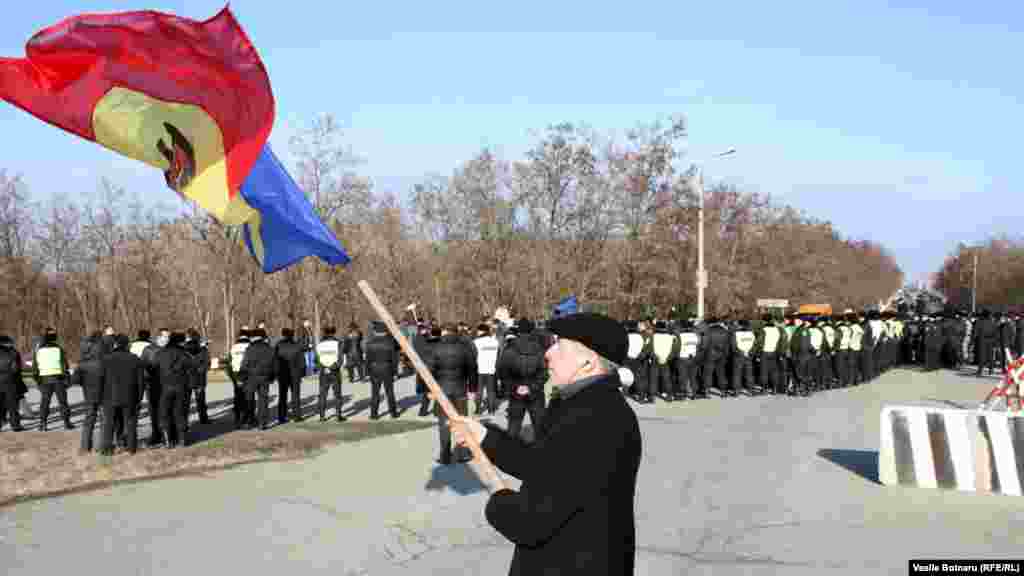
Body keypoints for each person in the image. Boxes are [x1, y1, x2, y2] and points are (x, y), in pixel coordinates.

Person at [449, 312, 642, 576]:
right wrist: (483, 436)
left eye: (559, 345)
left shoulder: (593, 421)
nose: (548, 353)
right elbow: (542, 464)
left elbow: (530, 522)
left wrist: (499, 501)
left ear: (587, 362)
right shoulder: (582, 404)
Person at [430, 323, 477, 464]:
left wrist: (429, 389)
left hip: (442, 389)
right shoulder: (465, 348)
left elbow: (429, 370)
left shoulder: (436, 348)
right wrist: (473, 388)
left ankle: (445, 455)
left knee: (444, 423)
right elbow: (473, 369)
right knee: (462, 421)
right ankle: (463, 453)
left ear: (444, 332)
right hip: (460, 388)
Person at [496, 319, 545, 442]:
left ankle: (509, 456)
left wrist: (514, 387)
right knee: (539, 427)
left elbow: (501, 371)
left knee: (513, 426)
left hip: (518, 391)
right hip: (534, 391)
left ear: (518, 331)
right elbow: (544, 372)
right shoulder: (539, 348)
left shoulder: (509, 349)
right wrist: (531, 386)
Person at [100, 335, 144, 454]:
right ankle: (131, 448)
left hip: (109, 397)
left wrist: (100, 398)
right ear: (127, 344)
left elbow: (100, 380)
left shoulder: (105, 359)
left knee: (109, 423)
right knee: (130, 422)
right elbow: (141, 381)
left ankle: (107, 449)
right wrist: (139, 399)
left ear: (115, 344)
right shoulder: (135, 359)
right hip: (130, 397)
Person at [156, 332, 193, 447]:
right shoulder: (184, 354)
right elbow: (192, 367)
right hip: (181, 386)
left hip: (165, 386)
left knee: (164, 413)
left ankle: (167, 440)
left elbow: (154, 366)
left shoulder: (160, 353)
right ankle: (182, 439)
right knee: (180, 413)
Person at [33, 328, 73, 431]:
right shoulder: (59, 349)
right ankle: (66, 422)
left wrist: (38, 381)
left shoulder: (38, 350)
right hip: (58, 378)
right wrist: (67, 378)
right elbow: (65, 365)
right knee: (63, 402)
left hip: (45, 379)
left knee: (45, 402)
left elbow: (35, 367)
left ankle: (43, 423)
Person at [130, 330, 162, 446]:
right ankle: (158, 431)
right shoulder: (150, 347)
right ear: (149, 337)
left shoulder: (132, 345)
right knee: (154, 404)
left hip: (135, 376)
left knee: (136, 403)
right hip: (149, 377)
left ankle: (133, 425)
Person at [240, 328, 276, 430]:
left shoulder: (250, 348)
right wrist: (272, 376)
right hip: (265, 377)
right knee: (263, 400)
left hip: (251, 377)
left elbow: (245, 363)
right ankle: (262, 422)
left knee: (249, 399)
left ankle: (250, 421)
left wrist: (242, 376)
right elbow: (274, 364)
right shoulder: (269, 348)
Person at [74, 332, 105, 452]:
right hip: (104, 395)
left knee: (88, 420)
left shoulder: (83, 364)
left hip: (89, 395)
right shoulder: (106, 362)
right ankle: (102, 446)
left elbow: (75, 380)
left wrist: (84, 383)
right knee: (104, 421)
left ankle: (84, 447)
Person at [364, 321, 400, 420]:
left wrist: (366, 373)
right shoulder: (390, 342)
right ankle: (393, 413)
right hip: (387, 368)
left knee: (375, 393)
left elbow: (367, 359)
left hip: (374, 369)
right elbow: (394, 359)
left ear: (375, 331)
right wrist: (395, 372)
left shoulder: (370, 343)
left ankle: (374, 414)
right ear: (385, 331)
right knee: (390, 392)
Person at [275, 327, 305, 423]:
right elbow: (302, 362)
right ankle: (296, 416)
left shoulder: (278, 345)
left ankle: (281, 417)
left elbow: (275, 360)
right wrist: (302, 374)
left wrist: (276, 373)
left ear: (283, 334)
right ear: (292, 335)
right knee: (295, 396)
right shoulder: (297, 345)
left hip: (282, 375)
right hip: (295, 374)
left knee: (282, 396)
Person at [315, 326, 345, 422]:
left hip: (324, 372)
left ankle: (322, 416)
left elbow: (316, 359)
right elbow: (340, 359)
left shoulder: (320, 344)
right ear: (334, 332)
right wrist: (333, 367)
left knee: (323, 394)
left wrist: (324, 367)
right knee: (337, 394)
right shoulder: (338, 343)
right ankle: (338, 415)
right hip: (334, 371)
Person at [225, 329, 251, 429]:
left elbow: (228, 363)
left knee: (237, 396)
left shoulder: (234, 347)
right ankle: (247, 419)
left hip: (236, 374)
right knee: (248, 397)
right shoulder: (250, 346)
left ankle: (237, 419)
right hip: (247, 374)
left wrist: (232, 377)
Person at [473, 323, 500, 415]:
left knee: (479, 390)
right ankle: (491, 410)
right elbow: (498, 355)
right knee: (491, 391)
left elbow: (473, 355)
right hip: (491, 369)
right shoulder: (495, 342)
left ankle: (477, 409)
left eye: (478, 330)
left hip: (480, 369)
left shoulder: (476, 342)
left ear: (482, 331)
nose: (477, 332)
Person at [0, 335, 25, 432]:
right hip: (11, 382)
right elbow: (16, 369)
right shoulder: (13, 353)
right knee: (12, 405)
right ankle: (15, 425)